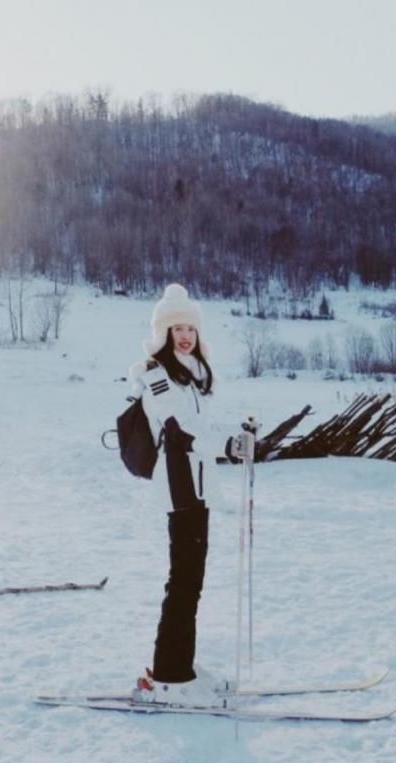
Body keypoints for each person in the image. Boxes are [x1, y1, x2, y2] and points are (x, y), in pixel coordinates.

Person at [128, 284, 244, 706]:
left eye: (189, 327)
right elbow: (180, 430)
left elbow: (203, 427)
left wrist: (234, 438)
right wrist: (228, 445)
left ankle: (183, 665)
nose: (184, 335)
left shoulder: (192, 374)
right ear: (162, 332)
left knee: (192, 581)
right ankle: (168, 674)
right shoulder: (157, 377)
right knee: (183, 581)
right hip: (179, 489)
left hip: (198, 488)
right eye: (176, 328)